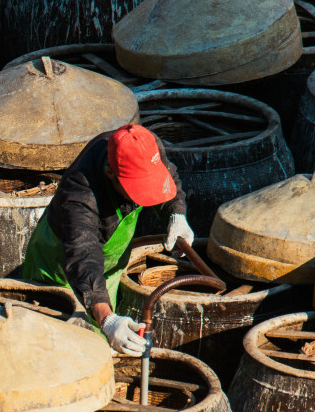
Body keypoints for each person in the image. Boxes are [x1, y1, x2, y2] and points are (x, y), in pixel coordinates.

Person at [22, 123, 192, 356]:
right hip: (64, 269)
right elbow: (83, 256)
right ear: (110, 173)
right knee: (55, 349)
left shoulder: (143, 146)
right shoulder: (80, 195)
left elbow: (166, 177)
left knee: (103, 347)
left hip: (108, 268)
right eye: (136, 189)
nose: (142, 196)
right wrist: (107, 320)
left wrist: (176, 214)